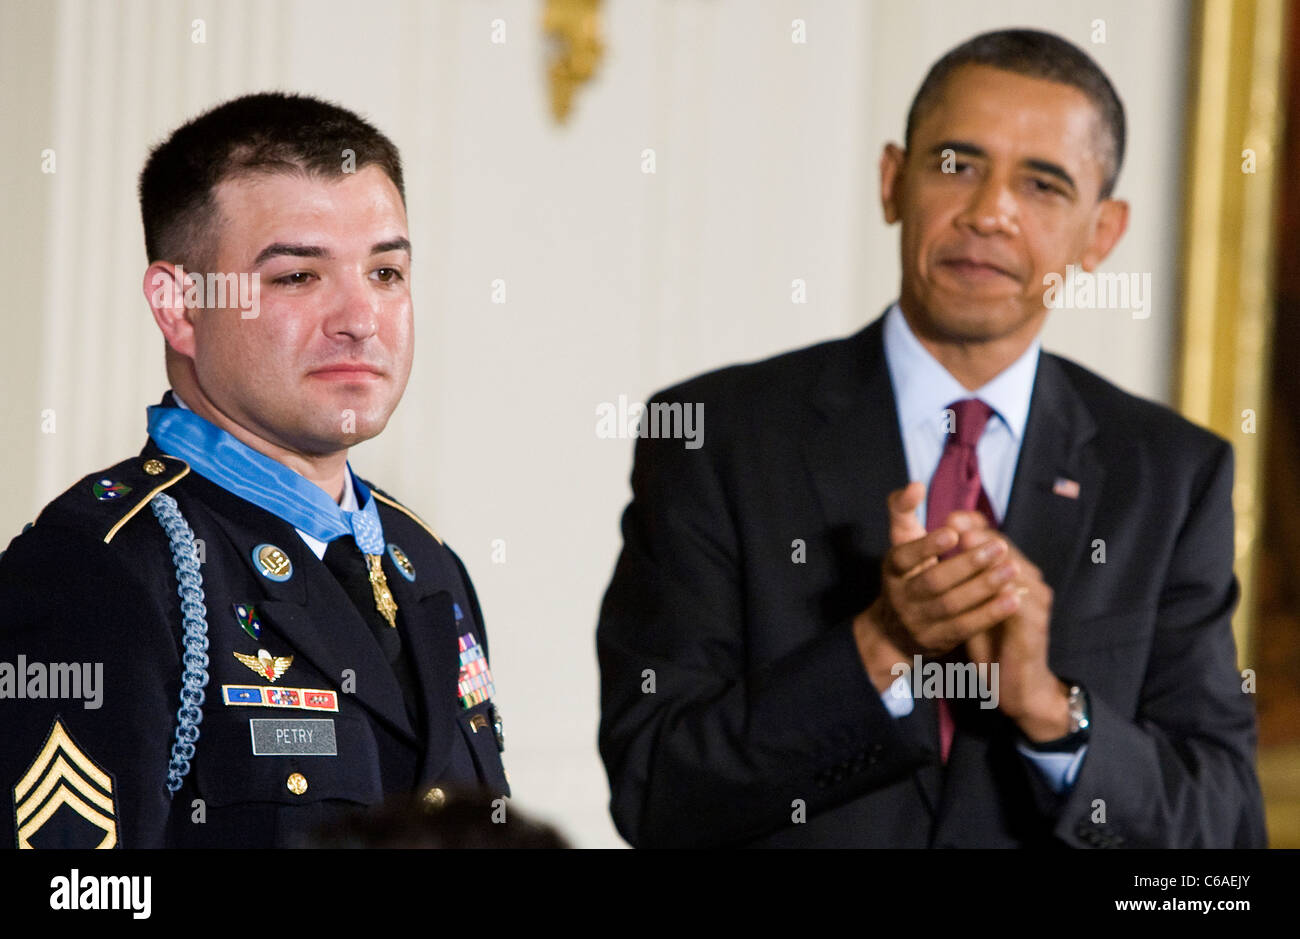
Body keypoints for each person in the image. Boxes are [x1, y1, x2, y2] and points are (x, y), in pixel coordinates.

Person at [596, 29, 1268, 848]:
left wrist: (1050, 709)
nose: (990, 212)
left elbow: (1224, 832)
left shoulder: (1170, 475)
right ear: (892, 183)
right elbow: (657, 789)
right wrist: (883, 643)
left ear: (1102, 235)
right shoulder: (716, 436)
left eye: (1044, 183)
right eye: (957, 164)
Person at [0, 92, 507, 848]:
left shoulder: (426, 561)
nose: (360, 317)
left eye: (387, 272)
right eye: (298, 277)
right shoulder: (100, 569)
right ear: (179, 307)